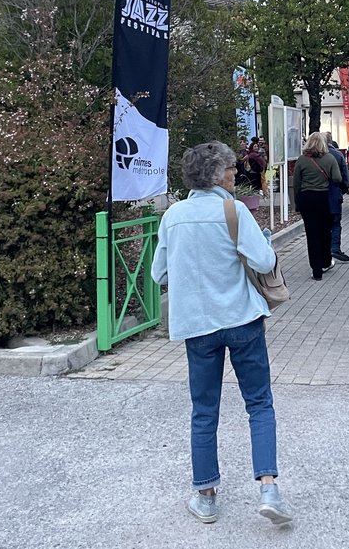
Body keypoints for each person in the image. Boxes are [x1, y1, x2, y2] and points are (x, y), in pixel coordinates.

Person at [150, 142, 295, 526]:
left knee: (204, 409)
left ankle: (206, 496)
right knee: (259, 403)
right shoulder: (233, 210)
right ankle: (268, 489)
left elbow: (158, 274)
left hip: (197, 326)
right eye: (231, 168)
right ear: (216, 174)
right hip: (241, 319)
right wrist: (262, 240)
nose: (235, 174)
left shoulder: (174, 216)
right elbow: (264, 261)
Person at [293, 133, 343, 280]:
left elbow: (297, 183)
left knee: (311, 234)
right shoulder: (329, 158)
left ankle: (316, 270)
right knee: (325, 231)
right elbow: (338, 178)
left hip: (306, 199)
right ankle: (326, 261)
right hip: (324, 198)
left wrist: (297, 203)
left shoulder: (302, 160)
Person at [324, 133, 349, 262]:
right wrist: (344, 188)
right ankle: (335, 247)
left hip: (320, 194)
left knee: (323, 224)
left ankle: (324, 249)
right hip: (335, 193)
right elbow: (345, 174)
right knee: (335, 223)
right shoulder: (337, 155)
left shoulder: (316, 156)